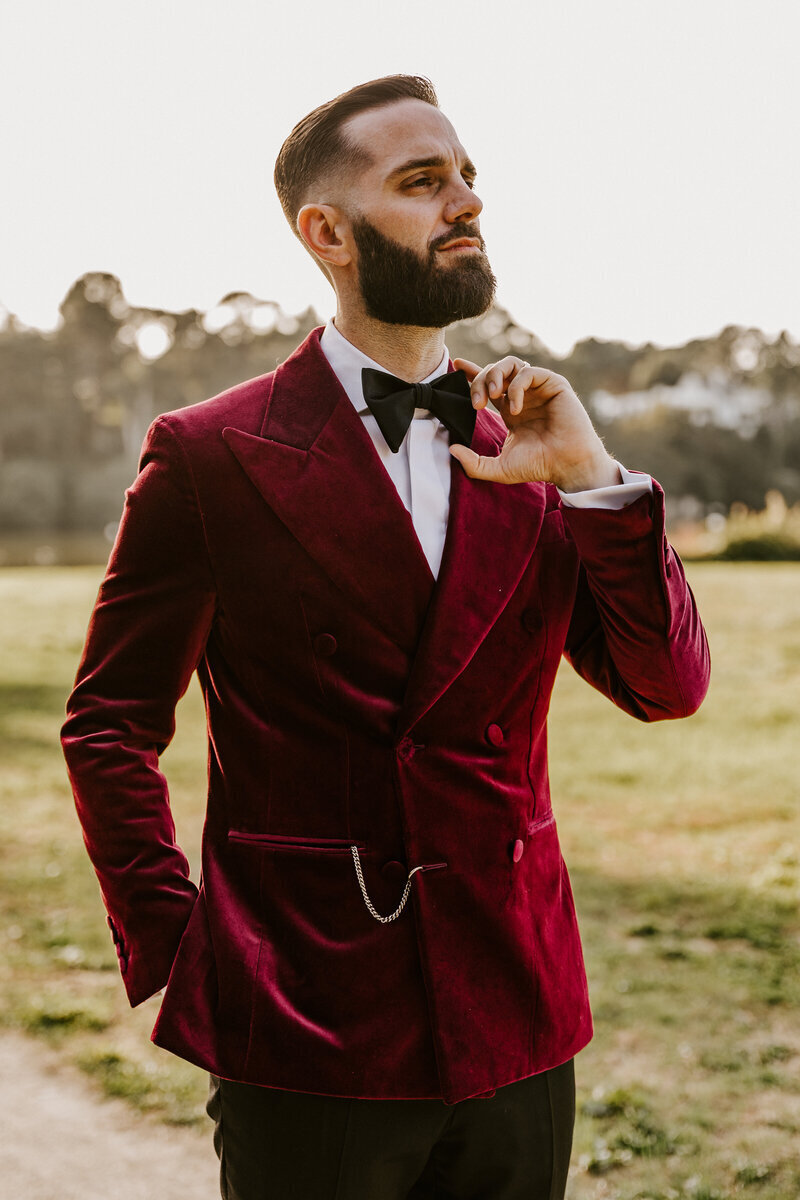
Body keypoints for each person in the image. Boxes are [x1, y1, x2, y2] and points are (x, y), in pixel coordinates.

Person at [61, 74, 710, 1200]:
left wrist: (596, 481)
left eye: (466, 178)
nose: (463, 202)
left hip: (517, 1010)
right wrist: (180, 948)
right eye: (421, 183)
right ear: (329, 232)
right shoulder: (210, 454)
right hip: (307, 1026)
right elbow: (109, 726)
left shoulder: (534, 442)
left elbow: (665, 687)